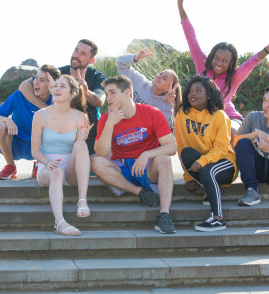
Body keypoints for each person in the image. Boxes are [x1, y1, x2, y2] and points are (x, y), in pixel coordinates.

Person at [176, 0, 269, 142]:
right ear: (212, 56)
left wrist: (267, 49)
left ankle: (231, 164)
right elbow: (191, 38)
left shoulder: (235, 77)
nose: (219, 63)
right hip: (203, 119)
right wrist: (181, 7)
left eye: (225, 61)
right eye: (217, 58)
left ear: (231, 63)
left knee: (230, 130)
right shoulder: (202, 66)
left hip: (229, 118)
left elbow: (252, 62)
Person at [90, 75, 177, 234]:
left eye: (112, 93)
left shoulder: (152, 113)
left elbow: (171, 147)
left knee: (164, 159)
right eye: (106, 94)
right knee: (94, 162)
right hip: (122, 168)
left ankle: (164, 215)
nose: (108, 98)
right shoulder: (105, 119)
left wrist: (147, 155)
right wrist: (110, 123)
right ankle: (140, 192)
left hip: (147, 168)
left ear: (127, 92)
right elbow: (100, 153)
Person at [19, 39, 105, 157]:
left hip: (87, 132)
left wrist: (85, 91)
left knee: (92, 164)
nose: (76, 55)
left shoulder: (96, 76)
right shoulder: (59, 72)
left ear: (91, 60)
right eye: (76, 50)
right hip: (60, 132)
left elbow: (100, 101)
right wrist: (47, 109)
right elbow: (24, 86)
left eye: (83, 53)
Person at [31, 74, 92, 236]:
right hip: (47, 167)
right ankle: (59, 222)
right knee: (57, 171)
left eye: (62, 86)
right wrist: (47, 161)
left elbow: (79, 149)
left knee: (81, 144)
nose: (56, 88)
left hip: (71, 169)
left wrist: (82, 138)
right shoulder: (40, 115)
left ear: (73, 94)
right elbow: (35, 151)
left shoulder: (81, 116)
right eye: (56, 85)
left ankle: (82, 200)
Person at [175, 76, 238, 232]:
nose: (192, 94)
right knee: (186, 152)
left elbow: (222, 148)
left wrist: (203, 162)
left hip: (225, 163)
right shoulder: (183, 113)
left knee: (208, 170)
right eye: (190, 91)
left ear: (209, 94)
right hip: (201, 164)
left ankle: (218, 219)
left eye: (198, 90)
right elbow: (182, 144)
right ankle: (209, 187)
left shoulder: (220, 116)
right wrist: (188, 176)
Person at [0, 64, 60, 180]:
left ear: (51, 84)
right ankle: (11, 167)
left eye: (42, 80)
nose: (35, 82)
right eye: (36, 78)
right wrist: (7, 120)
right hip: (16, 144)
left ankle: (39, 164)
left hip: (40, 148)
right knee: (1, 126)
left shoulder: (55, 102)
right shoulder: (19, 96)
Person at [116, 49, 182, 129]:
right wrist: (135, 58)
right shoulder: (140, 82)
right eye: (160, 73)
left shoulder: (165, 105)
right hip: (122, 128)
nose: (159, 76)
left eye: (164, 78)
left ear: (168, 88)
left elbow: (165, 128)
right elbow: (120, 62)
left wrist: (169, 104)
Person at [234, 87, 269, 206]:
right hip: (256, 169)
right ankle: (252, 191)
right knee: (243, 143)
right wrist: (256, 133)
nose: (266, 105)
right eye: (265, 100)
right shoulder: (253, 117)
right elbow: (235, 141)